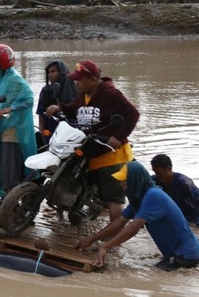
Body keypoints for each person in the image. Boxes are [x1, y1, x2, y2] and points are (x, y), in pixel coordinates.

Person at [46, 60, 139, 223]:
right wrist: (59, 108)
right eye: (75, 79)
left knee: (113, 199)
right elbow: (74, 109)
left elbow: (133, 114)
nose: (76, 83)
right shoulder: (83, 95)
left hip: (111, 154)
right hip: (91, 150)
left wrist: (117, 137)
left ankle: (114, 239)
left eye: (80, 79)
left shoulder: (111, 94)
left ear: (93, 79)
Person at [76, 161, 199, 271]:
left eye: (125, 181)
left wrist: (105, 246)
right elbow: (119, 222)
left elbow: (134, 228)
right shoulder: (139, 198)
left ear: (135, 180)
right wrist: (90, 240)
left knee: (152, 278)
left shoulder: (153, 196)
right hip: (178, 254)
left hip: (186, 255)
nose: (122, 184)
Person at [0, 44, 37, 199]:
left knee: (9, 174)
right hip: (4, 129)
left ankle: (11, 213)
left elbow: (29, 98)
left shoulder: (13, 78)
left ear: (3, 63)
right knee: (2, 170)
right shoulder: (3, 78)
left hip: (13, 133)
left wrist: (10, 109)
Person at [150, 154, 199, 227]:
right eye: (155, 173)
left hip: (191, 218)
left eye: (159, 173)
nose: (157, 176)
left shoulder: (183, 182)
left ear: (168, 169)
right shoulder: (154, 181)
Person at [35, 60, 77, 144]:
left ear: (61, 72)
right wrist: (42, 132)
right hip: (49, 133)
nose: (50, 75)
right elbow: (41, 114)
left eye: (53, 71)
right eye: (48, 72)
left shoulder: (74, 90)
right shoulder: (45, 91)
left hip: (69, 133)